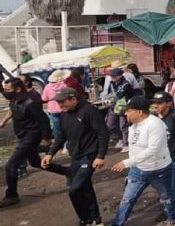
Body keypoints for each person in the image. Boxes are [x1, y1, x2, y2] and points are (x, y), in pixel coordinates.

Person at [41, 88, 108, 226]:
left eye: (63, 102)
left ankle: (85, 219)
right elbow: (61, 136)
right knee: (85, 187)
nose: (60, 105)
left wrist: (100, 155)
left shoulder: (89, 111)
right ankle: (94, 219)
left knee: (74, 190)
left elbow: (102, 133)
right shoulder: (65, 114)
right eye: (58, 102)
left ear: (73, 99)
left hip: (89, 156)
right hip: (76, 156)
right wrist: (50, 154)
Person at [0, 78, 69, 208]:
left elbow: (43, 120)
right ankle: (68, 171)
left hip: (31, 136)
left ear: (18, 89)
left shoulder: (31, 102)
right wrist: (4, 121)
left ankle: (11, 195)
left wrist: (47, 138)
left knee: (11, 165)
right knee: (36, 162)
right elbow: (12, 110)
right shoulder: (14, 99)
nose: (5, 92)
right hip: (22, 135)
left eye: (8, 89)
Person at [111, 97, 175, 226]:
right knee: (127, 200)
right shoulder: (133, 124)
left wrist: (126, 163)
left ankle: (173, 218)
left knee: (166, 198)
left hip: (159, 170)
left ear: (140, 112)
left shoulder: (155, 125)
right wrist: (132, 165)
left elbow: (152, 150)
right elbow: (133, 146)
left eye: (128, 111)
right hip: (137, 170)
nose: (125, 113)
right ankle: (117, 224)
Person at [105, 68, 133, 153]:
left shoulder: (126, 84)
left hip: (123, 107)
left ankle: (126, 144)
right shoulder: (111, 83)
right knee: (110, 125)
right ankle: (120, 139)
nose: (112, 78)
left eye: (114, 76)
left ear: (120, 75)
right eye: (111, 76)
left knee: (123, 126)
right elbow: (109, 93)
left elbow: (120, 95)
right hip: (113, 106)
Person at [42, 70, 69, 145]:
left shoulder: (47, 87)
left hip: (53, 110)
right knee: (66, 127)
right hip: (64, 108)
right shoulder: (64, 85)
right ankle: (66, 144)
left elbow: (44, 99)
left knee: (56, 128)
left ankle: (58, 144)